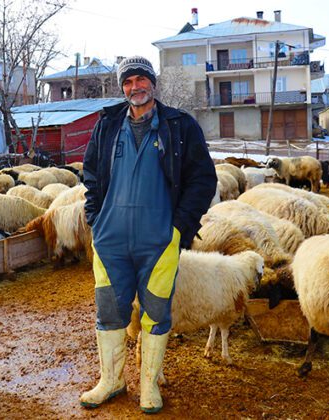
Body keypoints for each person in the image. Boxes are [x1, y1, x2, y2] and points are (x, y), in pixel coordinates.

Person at [80, 55, 217, 413]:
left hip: (159, 239)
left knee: (156, 311)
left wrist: (180, 228)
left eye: (141, 80)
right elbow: (91, 173)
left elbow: (203, 180)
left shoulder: (179, 125)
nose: (134, 87)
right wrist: (94, 218)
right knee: (110, 312)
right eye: (128, 82)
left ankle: (149, 384)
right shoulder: (108, 123)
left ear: (152, 84)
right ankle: (111, 381)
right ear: (122, 87)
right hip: (110, 238)